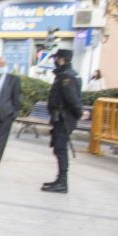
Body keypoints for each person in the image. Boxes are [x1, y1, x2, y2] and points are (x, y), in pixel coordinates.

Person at [41, 49, 83, 194]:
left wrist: (79, 114)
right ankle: (60, 180)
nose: (54, 61)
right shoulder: (67, 74)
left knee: (60, 149)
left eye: (56, 58)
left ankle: (62, 182)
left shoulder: (66, 77)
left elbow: (72, 99)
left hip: (64, 119)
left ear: (61, 59)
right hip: (62, 118)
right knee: (59, 148)